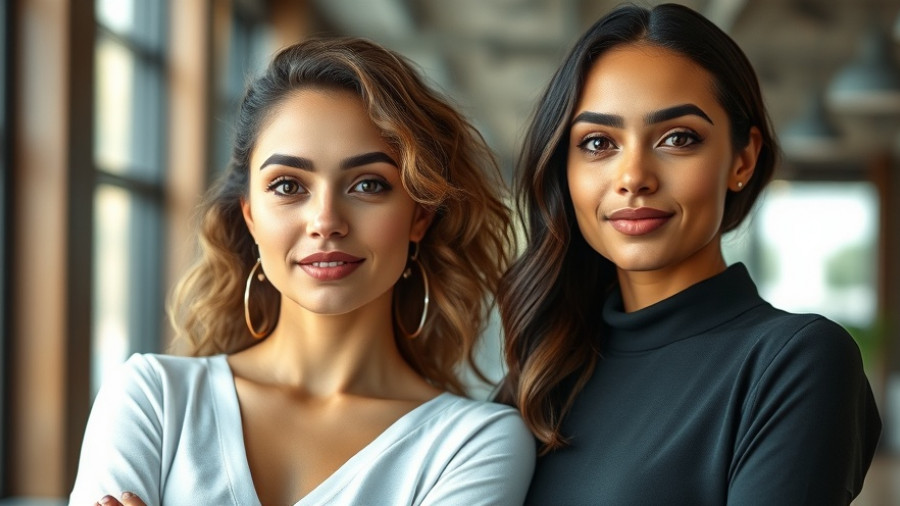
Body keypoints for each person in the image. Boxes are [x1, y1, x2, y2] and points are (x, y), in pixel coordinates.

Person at [70, 37, 534, 506]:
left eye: (369, 184)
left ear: (420, 216)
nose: (326, 221)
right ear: (250, 215)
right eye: (289, 185)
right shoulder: (154, 400)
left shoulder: (474, 444)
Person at [496, 3, 882, 505]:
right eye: (597, 143)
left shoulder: (794, 362)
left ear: (742, 159)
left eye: (678, 138)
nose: (633, 176)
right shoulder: (541, 376)